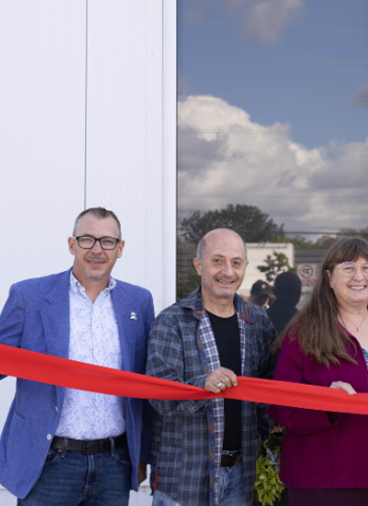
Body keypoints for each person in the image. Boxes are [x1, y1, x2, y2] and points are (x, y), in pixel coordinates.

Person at [0, 207, 154, 505]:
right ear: (72, 245)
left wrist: (143, 455)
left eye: (107, 241)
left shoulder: (139, 301)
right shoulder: (28, 296)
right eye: (87, 239)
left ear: (120, 248)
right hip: (48, 462)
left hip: (115, 463)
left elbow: (146, 385)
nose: (97, 250)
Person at [269, 237, 368, 505]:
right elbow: (281, 407)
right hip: (328, 482)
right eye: (348, 268)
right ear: (329, 277)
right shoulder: (304, 333)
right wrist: (326, 404)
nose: (359, 276)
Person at [147, 228, 276, 506]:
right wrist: (202, 385)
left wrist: (259, 436)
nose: (227, 271)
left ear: (245, 268)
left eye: (236, 263)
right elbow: (159, 395)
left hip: (241, 474)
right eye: (217, 260)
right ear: (198, 265)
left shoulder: (258, 323)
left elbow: (270, 387)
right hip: (183, 477)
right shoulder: (172, 321)